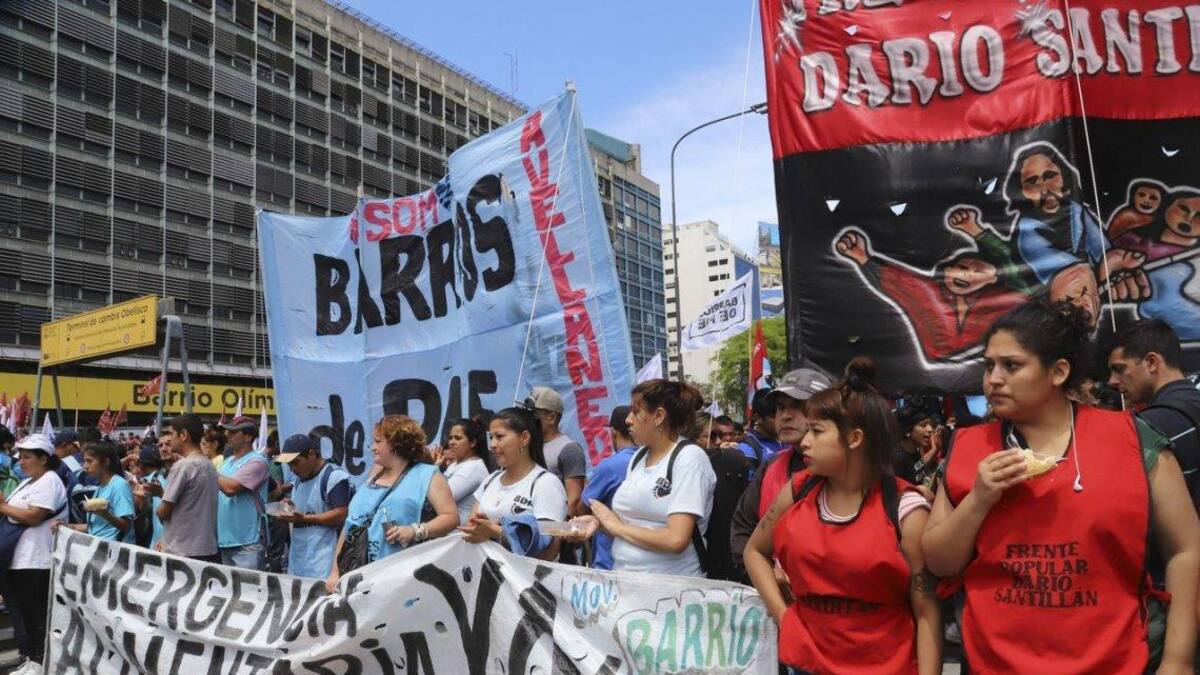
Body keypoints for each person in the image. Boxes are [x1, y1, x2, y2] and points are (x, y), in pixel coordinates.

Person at [922, 300, 1200, 672]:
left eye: (1011, 365)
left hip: (1115, 662)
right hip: (994, 662)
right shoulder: (967, 447)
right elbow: (939, 562)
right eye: (988, 366)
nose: (993, 379)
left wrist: (1179, 660)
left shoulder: (1135, 440)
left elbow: (1186, 548)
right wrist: (978, 500)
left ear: (1058, 372)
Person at [744, 358, 941, 674]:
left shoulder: (906, 510)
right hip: (806, 663)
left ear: (854, 438)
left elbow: (927, 611)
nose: (805, 442)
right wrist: (784, 616)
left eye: (817, 431)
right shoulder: (798, 490)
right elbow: (754, 551)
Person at [571, 380, 715, 577]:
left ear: (659, 417)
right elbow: (632, 526)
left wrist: (617, 527)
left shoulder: (689, 458)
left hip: (669, 588)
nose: (628, 420)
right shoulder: (638, 457)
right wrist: (598, 524)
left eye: (636, 411)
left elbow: (676, 539)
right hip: (626, 581)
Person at [327, 416, 458, 591]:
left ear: (396, 444)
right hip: (358, 578)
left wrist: (415, 531)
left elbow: (451, 517)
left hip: (401, 582)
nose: (372, 447)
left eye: (378, 441)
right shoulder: (375, 474)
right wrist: (335, 571)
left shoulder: (428, 475)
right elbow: (350, 525)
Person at [730, 368, 831, 580]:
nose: (785, 415)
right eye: (781, 407)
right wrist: (765, 575)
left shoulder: (848, 472)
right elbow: (743, 530)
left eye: (799, 406)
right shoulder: (771, 466)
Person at [1108, 318, 1200, 508]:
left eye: (1119, 369)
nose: (1112, 381)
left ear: (1151, 362)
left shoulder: (1149, 426)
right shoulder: (1194, 401)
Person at [461, 407, 567, 560]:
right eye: (491, 437)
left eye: (499, 436)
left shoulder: (547, 484)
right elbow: (471, 529)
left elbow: (550, 551)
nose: (492, 445)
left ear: (524, 438)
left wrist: (497, 533)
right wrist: (478, 529)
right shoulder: (490, 480)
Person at [1, 434, 67, 675]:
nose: (21, 461)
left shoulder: (49, 481)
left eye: (27, 457)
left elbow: (34, 516)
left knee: (36, 614)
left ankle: (42, 662)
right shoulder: (27, 483)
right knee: (24, 614)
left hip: (37, 560)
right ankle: (31, 659)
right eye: (20, 457)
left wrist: (2, 506)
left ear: (43, 458)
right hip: (18, 560)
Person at [274, 434, 351, 580]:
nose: (292, 469)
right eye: (289, 465)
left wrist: (304, 519)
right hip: (298, 560)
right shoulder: (298, 480)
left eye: (295, 463)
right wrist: (289, 506)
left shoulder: (333, 476)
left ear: (312, 454)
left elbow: (341, 514)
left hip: (324, 563)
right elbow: (305, 509)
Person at [153, 414, 219, 562]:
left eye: (172, 434)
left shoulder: (183, 466)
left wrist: (159, 505)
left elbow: (163, 511)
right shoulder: (209, 464)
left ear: (183, 435)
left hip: (183, 552)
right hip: (206, 548)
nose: (170, 440)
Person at [578, 406, 637, 570]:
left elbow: (582, 507)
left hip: (609, 562)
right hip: (643, 559)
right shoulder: (651, 461)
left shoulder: (610, 466)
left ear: (613, 432)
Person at [694, 411, 749, 581]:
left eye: (720, 435)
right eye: (711, 436)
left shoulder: (731, 461)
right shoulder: (683, 467)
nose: (718, 441)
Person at [215, 415, 270, 570]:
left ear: (248, 437)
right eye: (228, 431)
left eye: (233, 432)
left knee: (250, 585)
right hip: (225, 539)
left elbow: (230, 488)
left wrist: (207, 467)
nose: (227, 435)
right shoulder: (226, 462)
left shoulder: (257, 461)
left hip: (248, 542)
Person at [55, 442, 134, 543]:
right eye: (84, 461)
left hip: (113, 549)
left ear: (106, 462)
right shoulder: (100, 488)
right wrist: (68, 526)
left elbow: (126, 526)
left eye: (89, 461)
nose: (85, 466)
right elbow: (96, 527)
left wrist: (104, 514)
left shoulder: (119, 485)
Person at [526, 387, 587, 516]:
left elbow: (573, 502)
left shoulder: (569, 450)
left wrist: (557, 527)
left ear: (551, 417)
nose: (528, 420)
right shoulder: (526, 445)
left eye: (534, 415)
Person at [440, 418, 493, 523]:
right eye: (450, 438)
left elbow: (440, 499)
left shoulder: (472, 469)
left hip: (457, 532)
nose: (451, 442)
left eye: (458, 438)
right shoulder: (455, 464)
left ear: (472, 442)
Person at [738, 389, 783, 477]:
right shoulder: (748, 449)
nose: (782, 419)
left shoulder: (789, 441)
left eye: (782, 412)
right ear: (757, 418)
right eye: (773, 416)